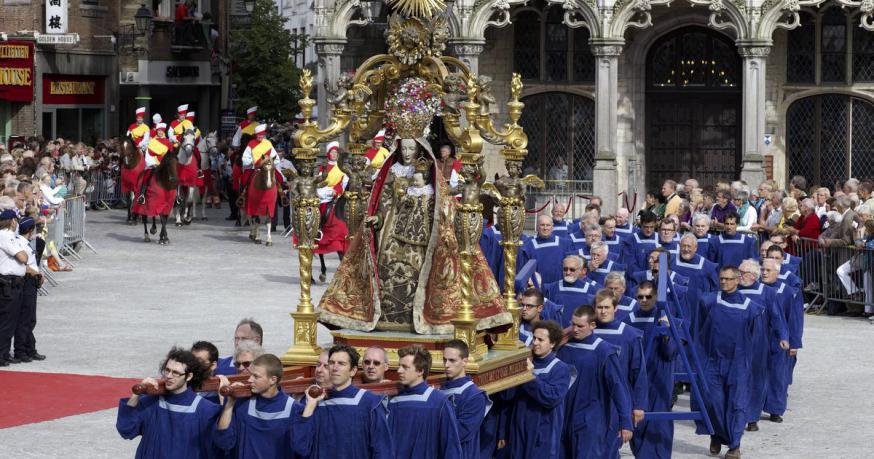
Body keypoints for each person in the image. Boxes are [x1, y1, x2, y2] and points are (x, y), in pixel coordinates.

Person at [692, 266, 760, 459]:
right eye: (721, 279)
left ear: (737, 280)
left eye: (728, 279)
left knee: (737, 404)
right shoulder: (708, 301)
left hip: (738, 363)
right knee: (714, 402)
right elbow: (699, 328)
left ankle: (734, 444)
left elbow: (755, 336)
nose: (724, 282)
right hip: (713, 361)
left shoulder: (751, 307)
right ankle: (717, 434)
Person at [117, 347, 221, 458]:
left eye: (175, 372)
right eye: (167, 370)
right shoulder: (152, 402)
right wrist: (136, 393)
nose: (169, 376)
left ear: (189, 376)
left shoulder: (206, 410)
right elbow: (126, 429)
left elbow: (220, 445)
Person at [558, 305, 633, 459]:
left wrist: (625, 422)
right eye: (573, 324)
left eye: (580, 326)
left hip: (590, 421)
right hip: (563, 417)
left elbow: (618, 388)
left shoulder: (604, 351)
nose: (575, 329)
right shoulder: (563, 347)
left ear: (592, 325)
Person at [296, 344, 394, 458]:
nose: (334, 368)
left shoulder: (371, 403)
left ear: (352, 371)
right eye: (331, 363)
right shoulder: (317, 402)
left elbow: (383, 451)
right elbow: (300, 447)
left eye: (341, 363)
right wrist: (310, 406)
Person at [623, 281, 679, 458]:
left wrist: (667, 331)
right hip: (636, 378)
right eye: (640, 297)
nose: (644, 300)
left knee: (659, 426)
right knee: (637, 424)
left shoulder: (666, 319)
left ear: (656, 297)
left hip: (659, 377)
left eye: (648, 296)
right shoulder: (628, 320)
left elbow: (670, 354)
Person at [501, 320, 570, 459]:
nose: (535, 342)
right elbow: (508, 397)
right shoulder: (525, 362)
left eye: (541, 339)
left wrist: (530, 377)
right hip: (519, 429)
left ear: (552, 343)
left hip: (543, 433)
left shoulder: (560, 368)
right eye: (534, 338)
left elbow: (551, 398)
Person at [592, 289, 648, 456]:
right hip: (591, 399)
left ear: (616, 308)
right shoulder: (586, 331)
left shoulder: (629, 335)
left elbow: (638, 372)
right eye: (599, 307)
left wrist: (638, 405)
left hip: (616, 402)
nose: (603, 311)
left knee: (610, 446)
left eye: (607, 307)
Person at [216, 354, 304, 458]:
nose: (250, 380)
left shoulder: (295, 409)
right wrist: (230, 403)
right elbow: (223, 441)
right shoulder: (242, 403)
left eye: (256, 376)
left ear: (273, 380)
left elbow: (302, 450)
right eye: (250, 375)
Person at [737, 260, 790, 432]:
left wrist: (783, 336)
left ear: (752, 275)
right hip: (736, 343)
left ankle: (752, 418)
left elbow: (777, 317)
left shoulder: (767, 293)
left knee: (758, 380)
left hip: (759, 344)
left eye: (742, 273)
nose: (739, 276)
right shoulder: (732, 291)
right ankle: (738, 414)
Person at [389, 344, 462, 458]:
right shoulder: (393, 403)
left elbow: (451, 447)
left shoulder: (439, 403)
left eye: (405, 367)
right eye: (399, 366)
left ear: (420, 371)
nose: (399, 370)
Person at [441, 339, 489, 459]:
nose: (446, 365)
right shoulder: (439, 390)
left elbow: (461, 432)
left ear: (464, 361)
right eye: (444, 360)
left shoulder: (474, 396)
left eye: (452, 360)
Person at [12, 216, 43, 363]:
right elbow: (23, 264)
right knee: (25, 318)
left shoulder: (23, 242)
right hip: (27, 282)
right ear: (30, 230)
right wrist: (36, 273)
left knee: (30, 319)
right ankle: (21, 350)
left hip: (31, 281)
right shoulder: (21, 244)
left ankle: (30, 348)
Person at [0, 210, 27, 366]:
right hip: (8, 283)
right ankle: (1, 354)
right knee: (6, 322)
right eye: (15, 219)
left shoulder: (8, 236)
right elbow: (23, 257)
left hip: (13, 283)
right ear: (11, 221)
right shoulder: (5, 236)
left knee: (10, 320)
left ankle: (4, 352)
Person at [517, 215, 573, 286]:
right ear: (537, 227)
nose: (545, 228)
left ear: (552, 227)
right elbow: (524, 271)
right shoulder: (528, 246)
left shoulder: (565, 244)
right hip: (537, 288)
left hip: (559, 287)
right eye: (542, 225)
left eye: (548, 225)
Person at [543, 255, 597, 327]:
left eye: (572, 270)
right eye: (565, 269)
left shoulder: (591, 290)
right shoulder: (551, 288)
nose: (568, 273)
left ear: (580, 270)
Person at [136, 123, 173, 204]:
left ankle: (177, 197)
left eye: (161, 131)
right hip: (153, 164)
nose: (160, 132)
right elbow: (148, 154)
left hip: (165, 165)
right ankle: (142, 195)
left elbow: (170, 156)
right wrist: (152, 163)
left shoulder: (168, 142)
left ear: (163, 132)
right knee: (146, 175)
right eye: (159, 131)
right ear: (157, 131)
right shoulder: (151, 141)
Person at [240, 124, 280, 196]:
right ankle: (244, 195)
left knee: (279, 178)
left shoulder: (268, 143)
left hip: (268, 168)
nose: (260, 136)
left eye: (261, 134)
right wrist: (251, 162)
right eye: (258, 135)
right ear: (256, 135)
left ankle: (281, 195)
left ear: (264, 134)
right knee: (245, 179)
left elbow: (275, 157)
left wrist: (271, 164)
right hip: (254, 168)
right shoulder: (251, 143)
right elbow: (245, 157)